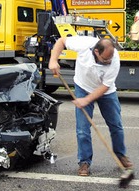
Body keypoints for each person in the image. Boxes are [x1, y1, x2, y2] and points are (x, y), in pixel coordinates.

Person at [48, 36, 132, 176]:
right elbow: (61, 41)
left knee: (116, 125)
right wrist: (53, 60)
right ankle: (84, 162)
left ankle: (121, 156)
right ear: (96, 52)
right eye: (105, 60)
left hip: (106, 92)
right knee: (82, 129)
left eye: (110, 59)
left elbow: (105, 86)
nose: (108, 62)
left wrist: (86, 100)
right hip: (83, 87)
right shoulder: (84, 44)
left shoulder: (114, 60)